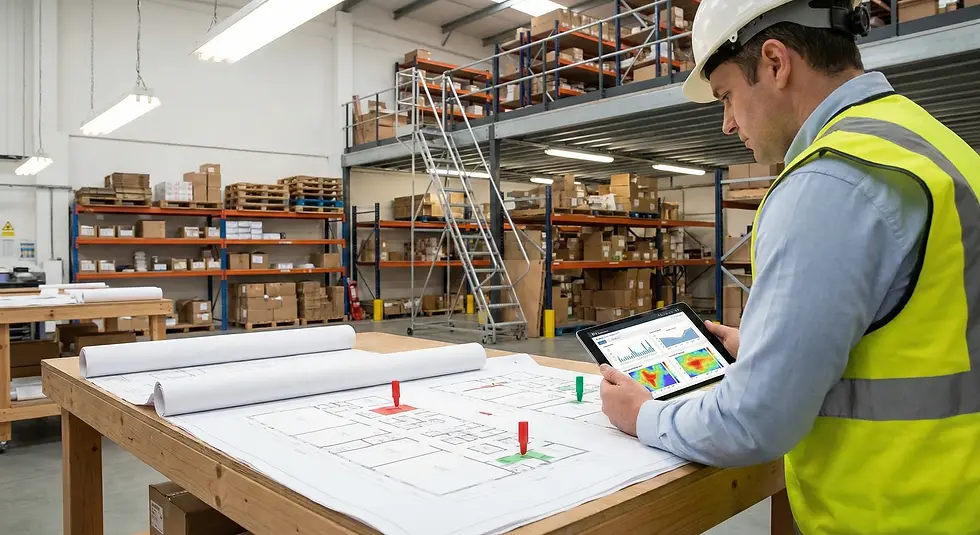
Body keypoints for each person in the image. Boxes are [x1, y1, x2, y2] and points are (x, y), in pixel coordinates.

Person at [597, 0, 980, 532]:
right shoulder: (934, 144)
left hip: (898, 513)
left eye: (727, 96)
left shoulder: (830, 180)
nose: (728, 124)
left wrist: (643, 415)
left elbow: (755, 420)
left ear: (776, 63)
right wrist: (770, 347)